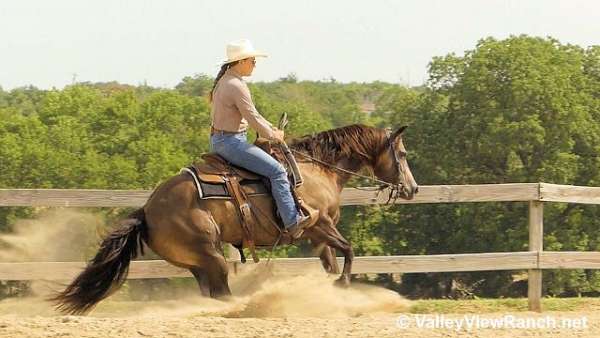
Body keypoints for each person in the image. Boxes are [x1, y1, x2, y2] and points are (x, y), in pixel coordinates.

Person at [208, 39, 317, 238]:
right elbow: (252, 117)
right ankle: (292, 221)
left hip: (223, 140)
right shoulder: (236, 85)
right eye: (252, 61)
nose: (255, 65)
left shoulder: (226, 81)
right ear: (240, 62)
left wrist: (271, 129)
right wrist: (274, 136)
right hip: (232, 143)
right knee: (277, 171)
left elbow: (254, 115)